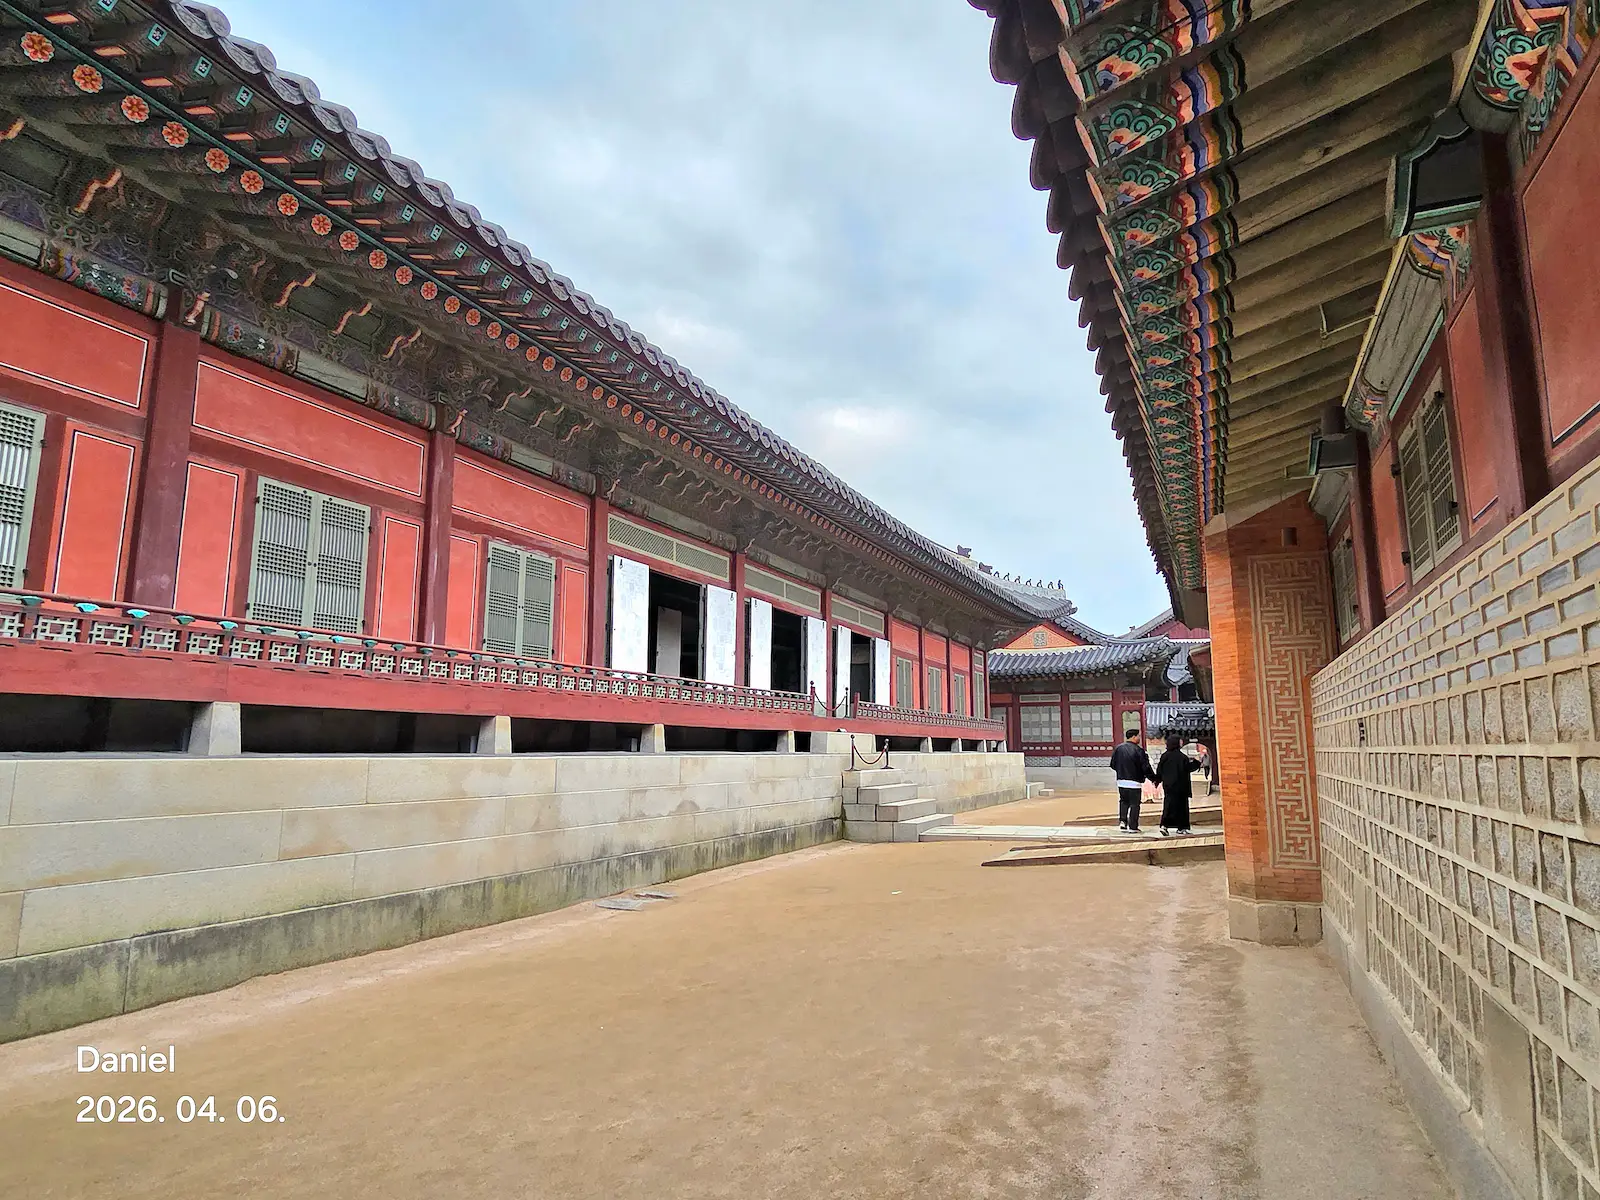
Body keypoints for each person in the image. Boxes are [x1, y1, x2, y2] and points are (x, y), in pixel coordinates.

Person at [1156, 734, 1206, 836]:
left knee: (1168, 806)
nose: (1182, 742)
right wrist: (1197, 761)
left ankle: (1164, 826)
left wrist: (1157, 780)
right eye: (1180, 741)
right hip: (1181, 786)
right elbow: (1188, 768)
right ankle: (1182, 827)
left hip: (1169, 786)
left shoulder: (1164, 756)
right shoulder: (1182, 757)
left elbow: (1159, 770)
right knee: (1182, 807)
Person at [1108, 729, 1157, 833]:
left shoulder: (1118, 749)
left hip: (1121, 781)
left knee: (1123, 801)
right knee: (1135, 804)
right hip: (1135, 782)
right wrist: (1154, 779)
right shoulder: (1139, 751)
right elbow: (1146, 767)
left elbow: (1113, 764)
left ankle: (1123, 821)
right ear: (1134, 737)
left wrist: (1121, 771)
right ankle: (1133, 826)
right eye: (1138, 736)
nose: (1139, 738)